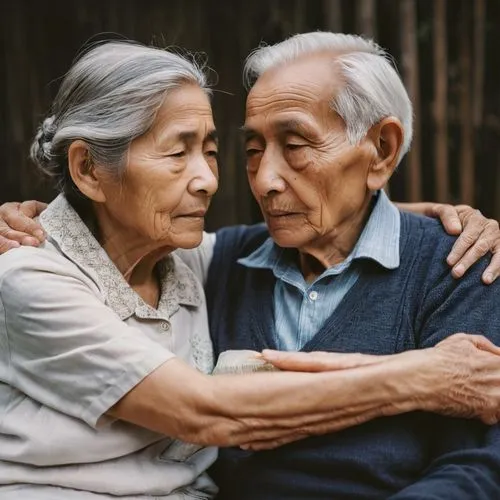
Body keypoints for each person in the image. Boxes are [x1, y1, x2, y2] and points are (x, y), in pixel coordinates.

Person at [2, 35, 500, 500]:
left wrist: (419, 217)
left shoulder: (456, 264)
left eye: (213, 153)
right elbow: (205, 412)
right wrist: (420, 377)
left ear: (381, 151)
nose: (258, 181)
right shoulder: (49, 275)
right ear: (89, 169)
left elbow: (476, 465)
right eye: (252, 151)